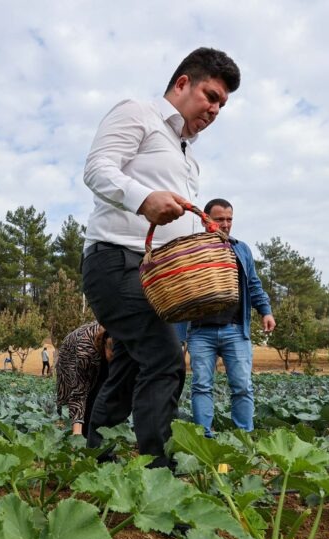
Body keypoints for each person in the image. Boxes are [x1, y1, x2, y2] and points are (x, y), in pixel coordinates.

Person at [80, 47, 240, 467]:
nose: (215, 108)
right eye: (211, 95)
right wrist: (143, 198)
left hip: (160, 276)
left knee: (131, 365)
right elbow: (97, 168)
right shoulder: (138, 113)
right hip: (116, 260)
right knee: (166, 360)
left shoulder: (188, 156)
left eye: (222, 103)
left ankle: (98, 463)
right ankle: (158, 472)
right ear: (183, 82)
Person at [186, 198, 275, 435]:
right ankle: (204, 438)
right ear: (205, 220)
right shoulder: (193, 250)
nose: (225, 224)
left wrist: (265, 311)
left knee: (242, 387)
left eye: (229, 219)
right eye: (219, 219)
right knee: (201, 386)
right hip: (200, 331)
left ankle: (243, 438)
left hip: (236, 329)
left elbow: (254, 284)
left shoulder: (241, 249)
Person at [55, 322, 114, 436]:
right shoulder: (85, 351)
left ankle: (100, 434)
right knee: (91, 396)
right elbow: (79, 392)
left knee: (104, 393)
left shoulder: (125, 337)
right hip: (73, 353)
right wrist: (77, 435)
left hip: (99, 353)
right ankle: (85, 435)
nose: (115, 362)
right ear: (106, 342)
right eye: (113, 356)